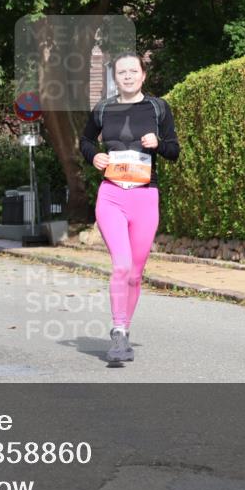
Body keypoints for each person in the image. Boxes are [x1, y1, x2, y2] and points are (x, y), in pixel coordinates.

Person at [79, 53, 181, 363]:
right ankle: (118, 332)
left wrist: (157, 145)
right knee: (121, 266)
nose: (126, 76)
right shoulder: (104, 108)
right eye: (121, 72)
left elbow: (174, 150)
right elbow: (85, 141)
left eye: (132, 71)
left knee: (135, 274)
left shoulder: (157, 108)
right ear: (115, 78)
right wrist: (93, 156)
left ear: (143, 75)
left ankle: (125, 328)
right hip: (111, 196)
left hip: (145, 197)